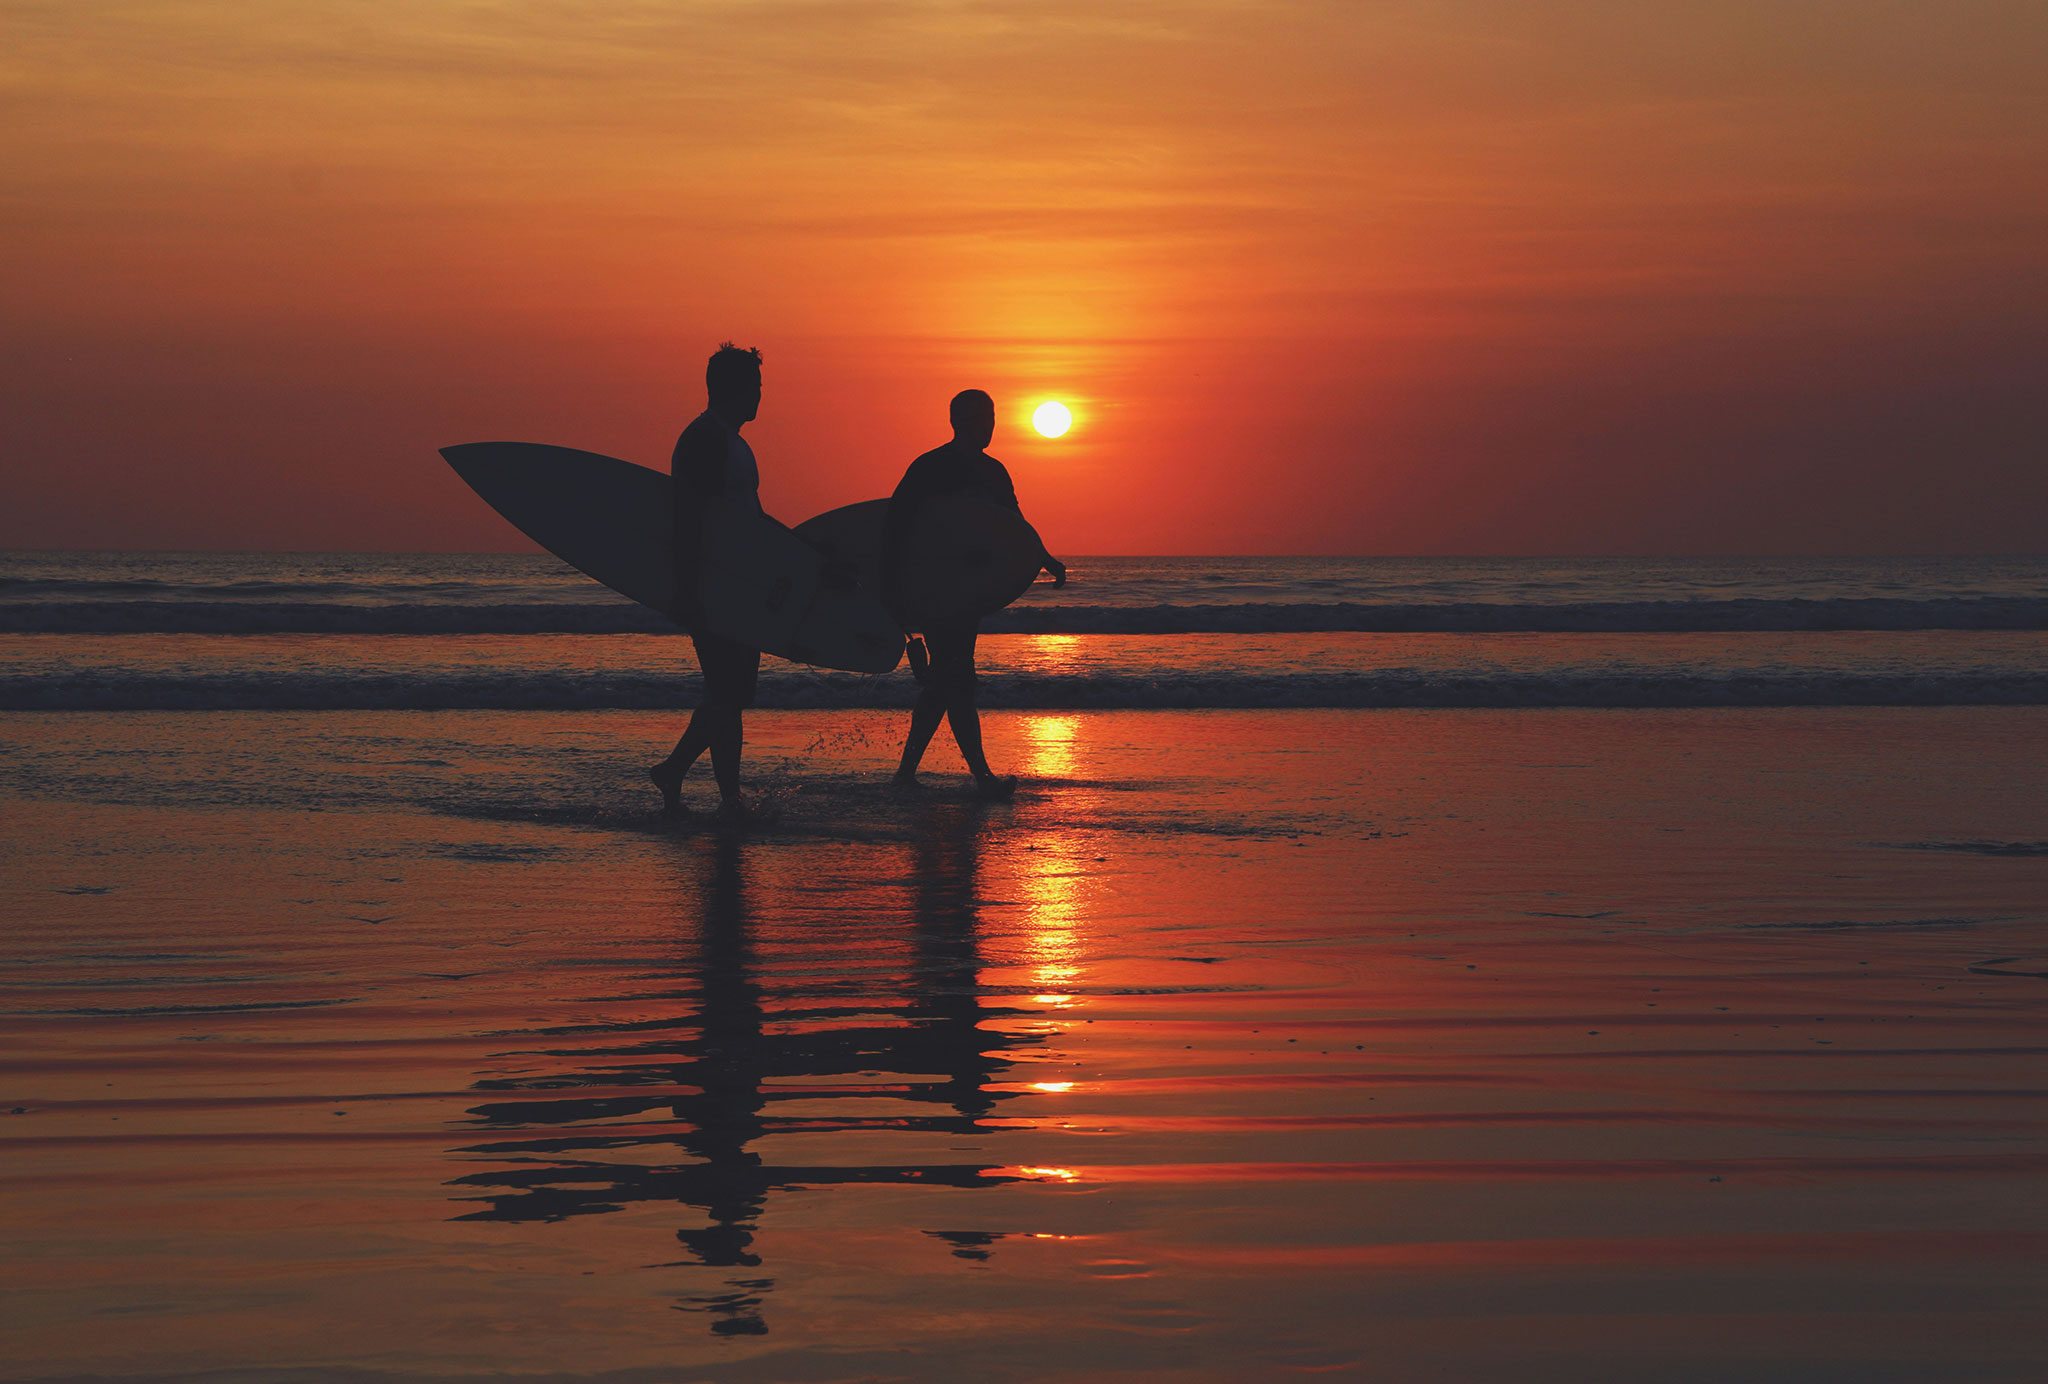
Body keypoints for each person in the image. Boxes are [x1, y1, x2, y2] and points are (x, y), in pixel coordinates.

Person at [882, 389, 1065, 797]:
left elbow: (1015, 527)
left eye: (993, 415)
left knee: (944, 683)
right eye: (984, 416)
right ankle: (982, 777)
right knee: (959, 680)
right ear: (959, 420)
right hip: (933, 589)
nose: (991, 424)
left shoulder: (994, 472)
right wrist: (894, 592)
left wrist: (1044, 558)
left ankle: (905, 774)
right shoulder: (931, 467)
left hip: (966, 593)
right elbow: (895, 527)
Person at [650, 343, 765, 818]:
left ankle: (726, 795)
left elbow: (745, 516)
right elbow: (687, 518)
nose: (761, 396)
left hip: (741, 584)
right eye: (755, 387)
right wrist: (688, 589)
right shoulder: (704, 441)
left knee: (730, 694)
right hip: (715, 585)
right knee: (729, 691)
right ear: (733, 390)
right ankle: (678, 770)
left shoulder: (733, 441)